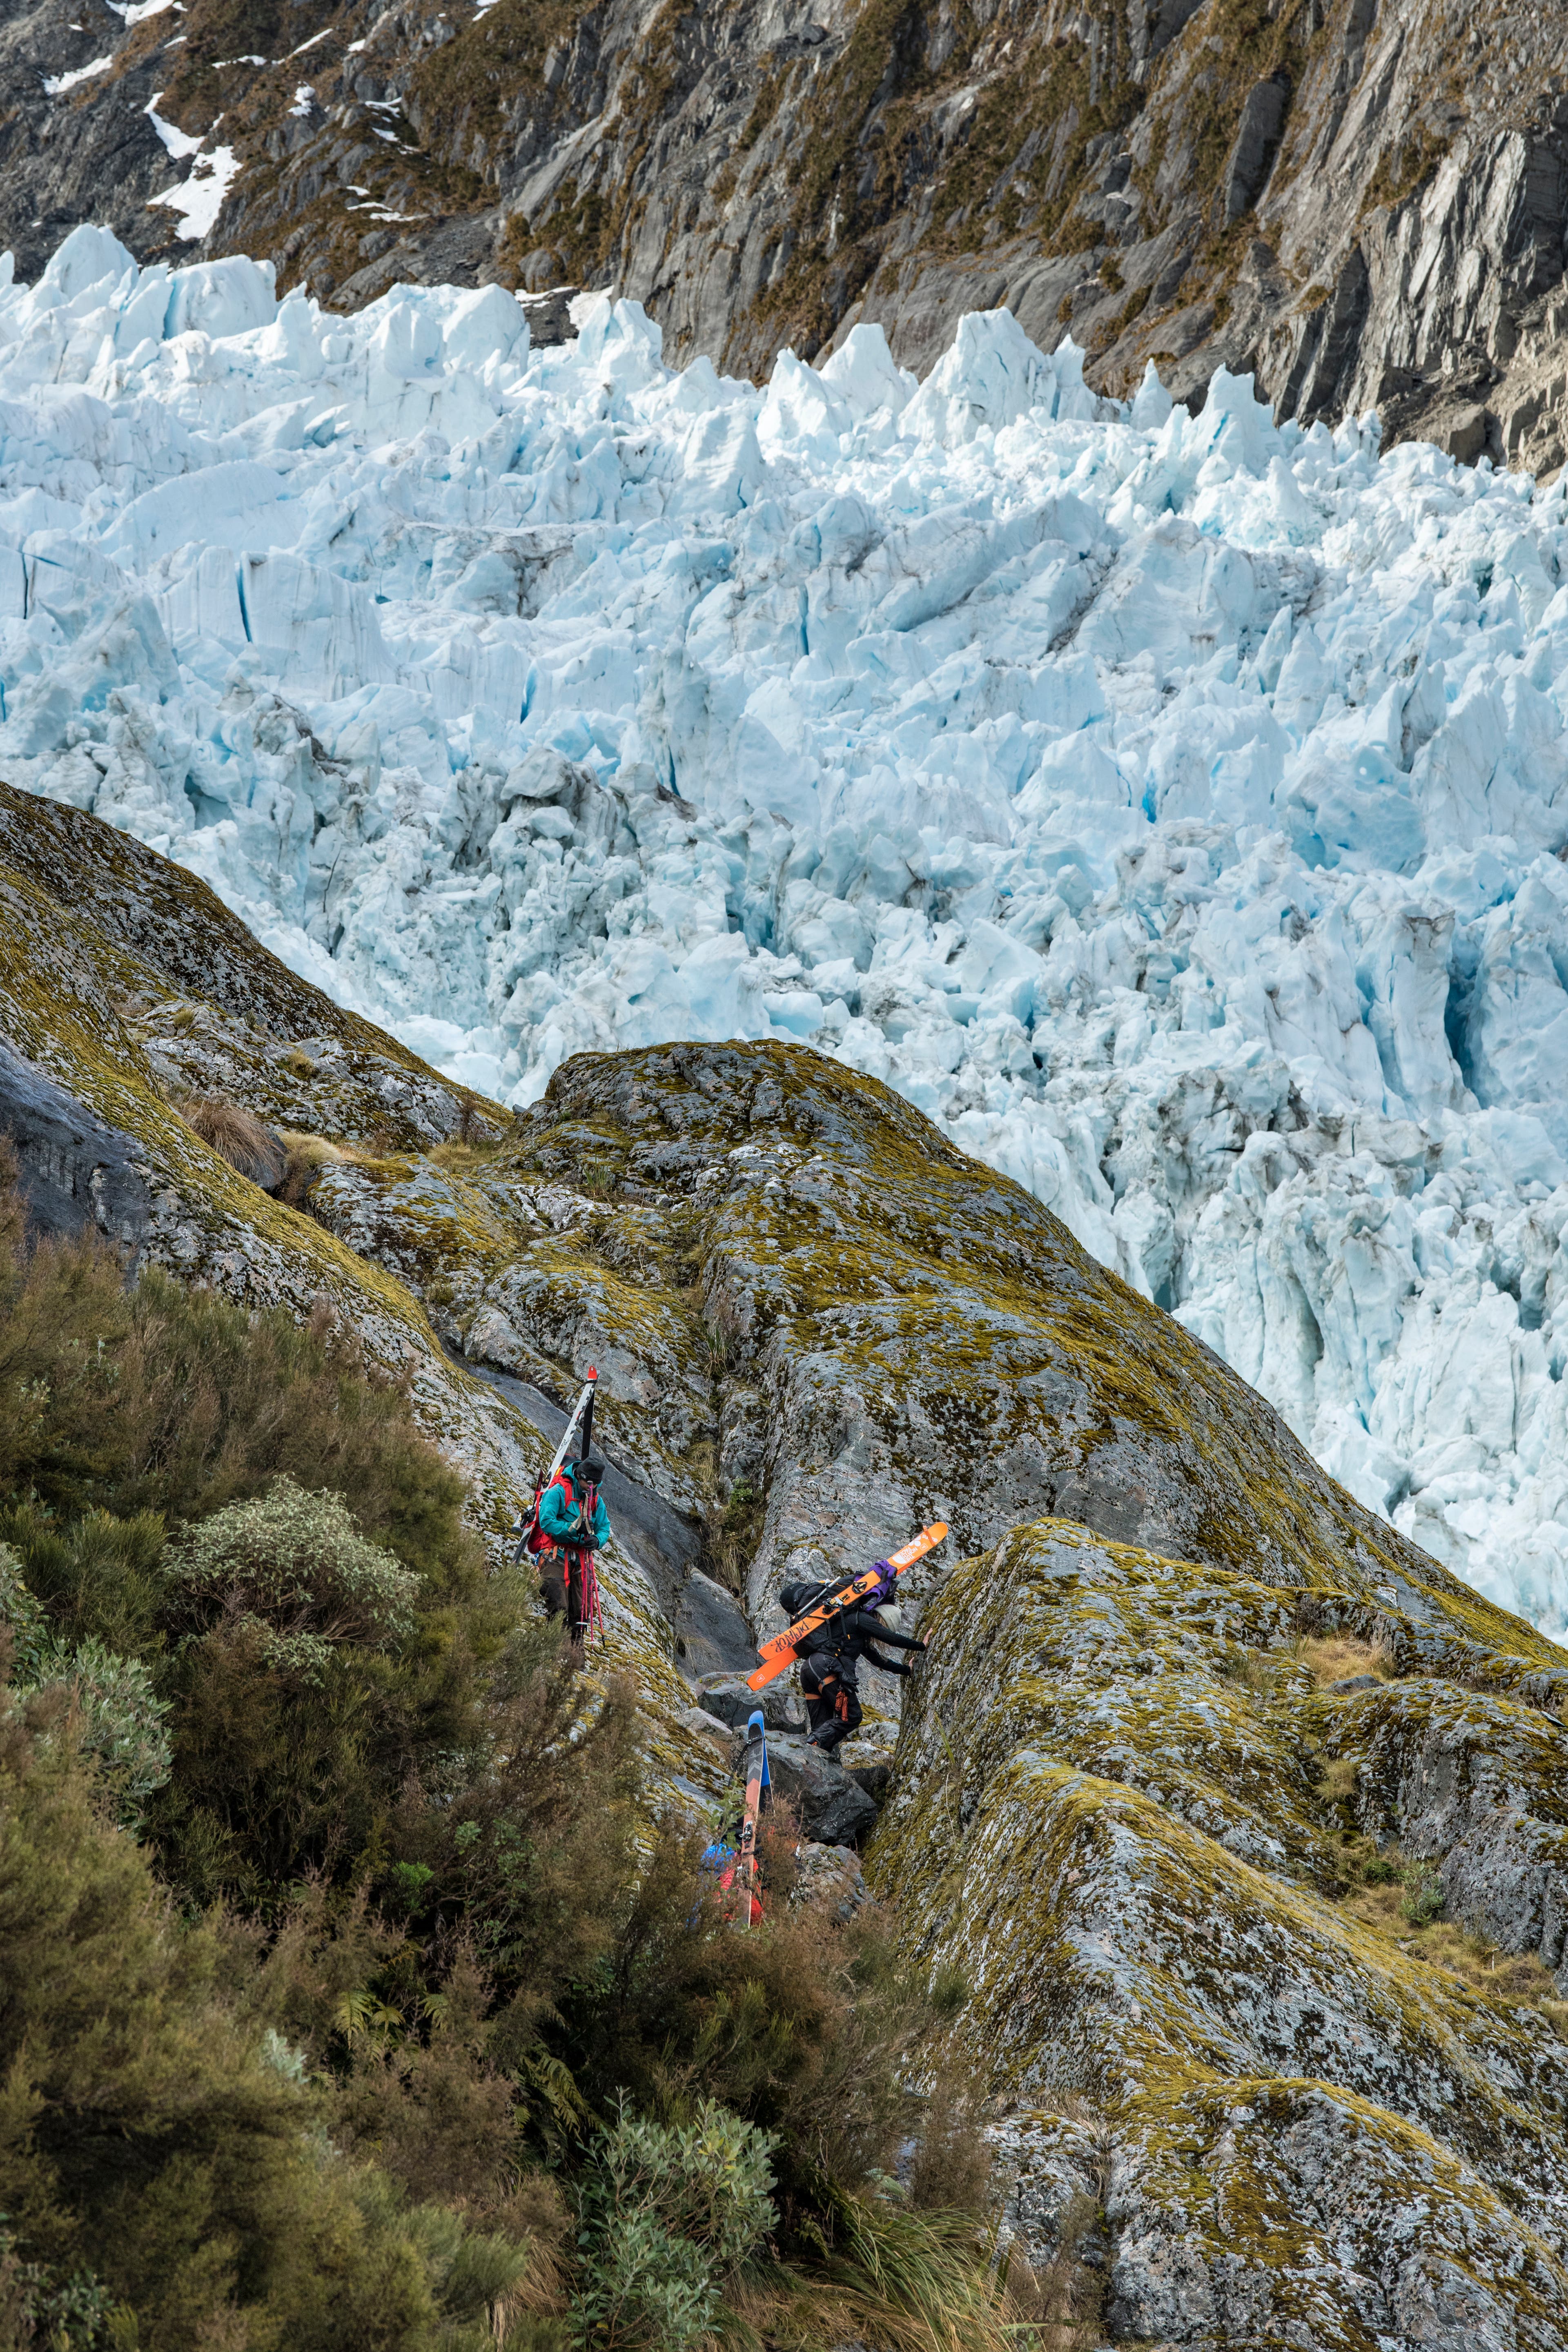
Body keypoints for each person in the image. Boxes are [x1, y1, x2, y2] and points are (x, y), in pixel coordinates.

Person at [779, 1566, 928, 1755]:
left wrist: (906, 1670)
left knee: (822, 1728)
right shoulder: (861, 1619)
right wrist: (921, 1646)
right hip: (826, 1669)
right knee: (852, 1716)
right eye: (884, 1625)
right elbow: (891, 1638)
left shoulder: (852, 1629)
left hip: (810, 1670)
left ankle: (814, 1757)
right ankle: (810, 1746)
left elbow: (878, 1660)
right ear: (882, 1618)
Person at [536, 1449, 611, 1644]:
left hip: (580, 1559)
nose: (592, 1488)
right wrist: (572, 1528)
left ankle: (575, 1657)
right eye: (589, 1484)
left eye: (596, 1485)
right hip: (555, 1555)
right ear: (580, 1476)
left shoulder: (595, 1499)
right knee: (559, 1608)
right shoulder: (559, 1491)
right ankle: (554, 1652)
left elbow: (604, 1527)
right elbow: (546, 1522)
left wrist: (598, 1541)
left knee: (581, 1614)